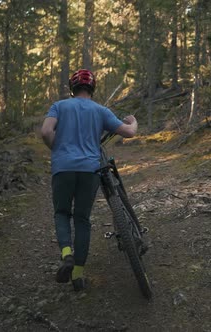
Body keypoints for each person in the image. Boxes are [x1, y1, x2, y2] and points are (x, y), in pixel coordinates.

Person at [41, 69, 138, 291]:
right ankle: (78, 275)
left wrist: (57, 149)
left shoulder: (59, 106)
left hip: (63, 168)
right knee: (82, 218)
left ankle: (66, 253)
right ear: (92, 88)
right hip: (89, 170)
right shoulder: (100, 110)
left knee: (62, 212)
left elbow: (46, 132)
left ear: (72, 88)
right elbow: (128, 133)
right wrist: (133, 122)